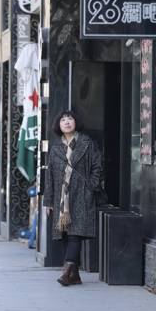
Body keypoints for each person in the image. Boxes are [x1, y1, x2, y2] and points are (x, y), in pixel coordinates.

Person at [43, 111, 102, 286]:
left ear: (76, 122)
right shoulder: (55, 148)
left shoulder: (87, 143)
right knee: (65, 235)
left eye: (70, 119)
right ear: (58, 125)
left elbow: (97, 166)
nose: (67, 122)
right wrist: (48, 201)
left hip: (82, 195)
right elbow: (50, 176)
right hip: (61, 199)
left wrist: (91, 185)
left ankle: (66, 271)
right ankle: (74, 275)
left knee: (75, 235)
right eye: (63, 119)